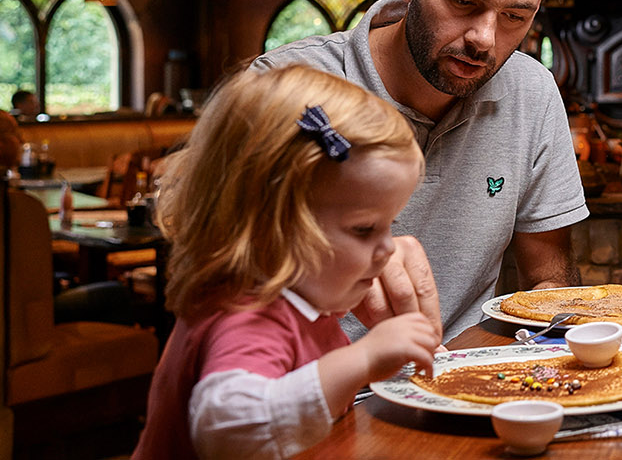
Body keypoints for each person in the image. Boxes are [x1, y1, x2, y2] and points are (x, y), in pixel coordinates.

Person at [254, 0, 588, 342]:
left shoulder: (531, 92)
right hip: (315, 393)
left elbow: (549, 284)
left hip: (468, 388)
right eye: (463, 2)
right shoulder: (283, 85)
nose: (485, 39)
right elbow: (212, 276)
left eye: (515, 16)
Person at [133, 65, 439, 459]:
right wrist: (362, 358)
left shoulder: (304, 303)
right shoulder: (247, 314)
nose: (388, 249)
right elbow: (228, 428)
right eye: (364, 229)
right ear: (269, 225)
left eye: (389, 225)